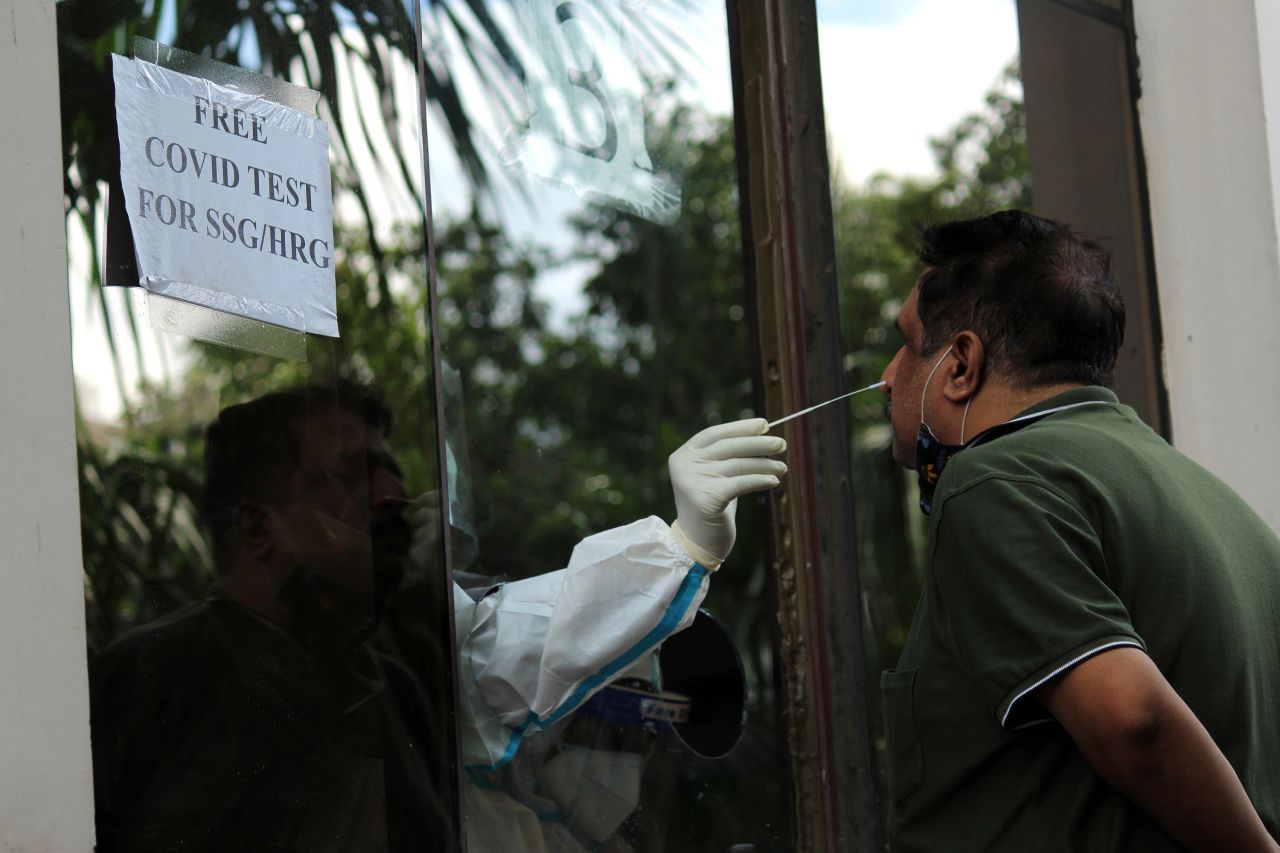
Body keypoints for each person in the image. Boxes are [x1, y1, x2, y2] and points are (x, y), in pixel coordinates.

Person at [90, 382, 786, 852]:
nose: (396, 494)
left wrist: (682, 545)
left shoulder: (390, 677)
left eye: (393, 469)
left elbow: (498, 647)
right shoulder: (162, 670)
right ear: (258, 528)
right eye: (350, 474)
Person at [878, 209, 1280, 852]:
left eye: (905, 343)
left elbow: (1133, 719)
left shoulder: (991, 482)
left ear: (959, 365)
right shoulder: (1200, 493)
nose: (889, 375)